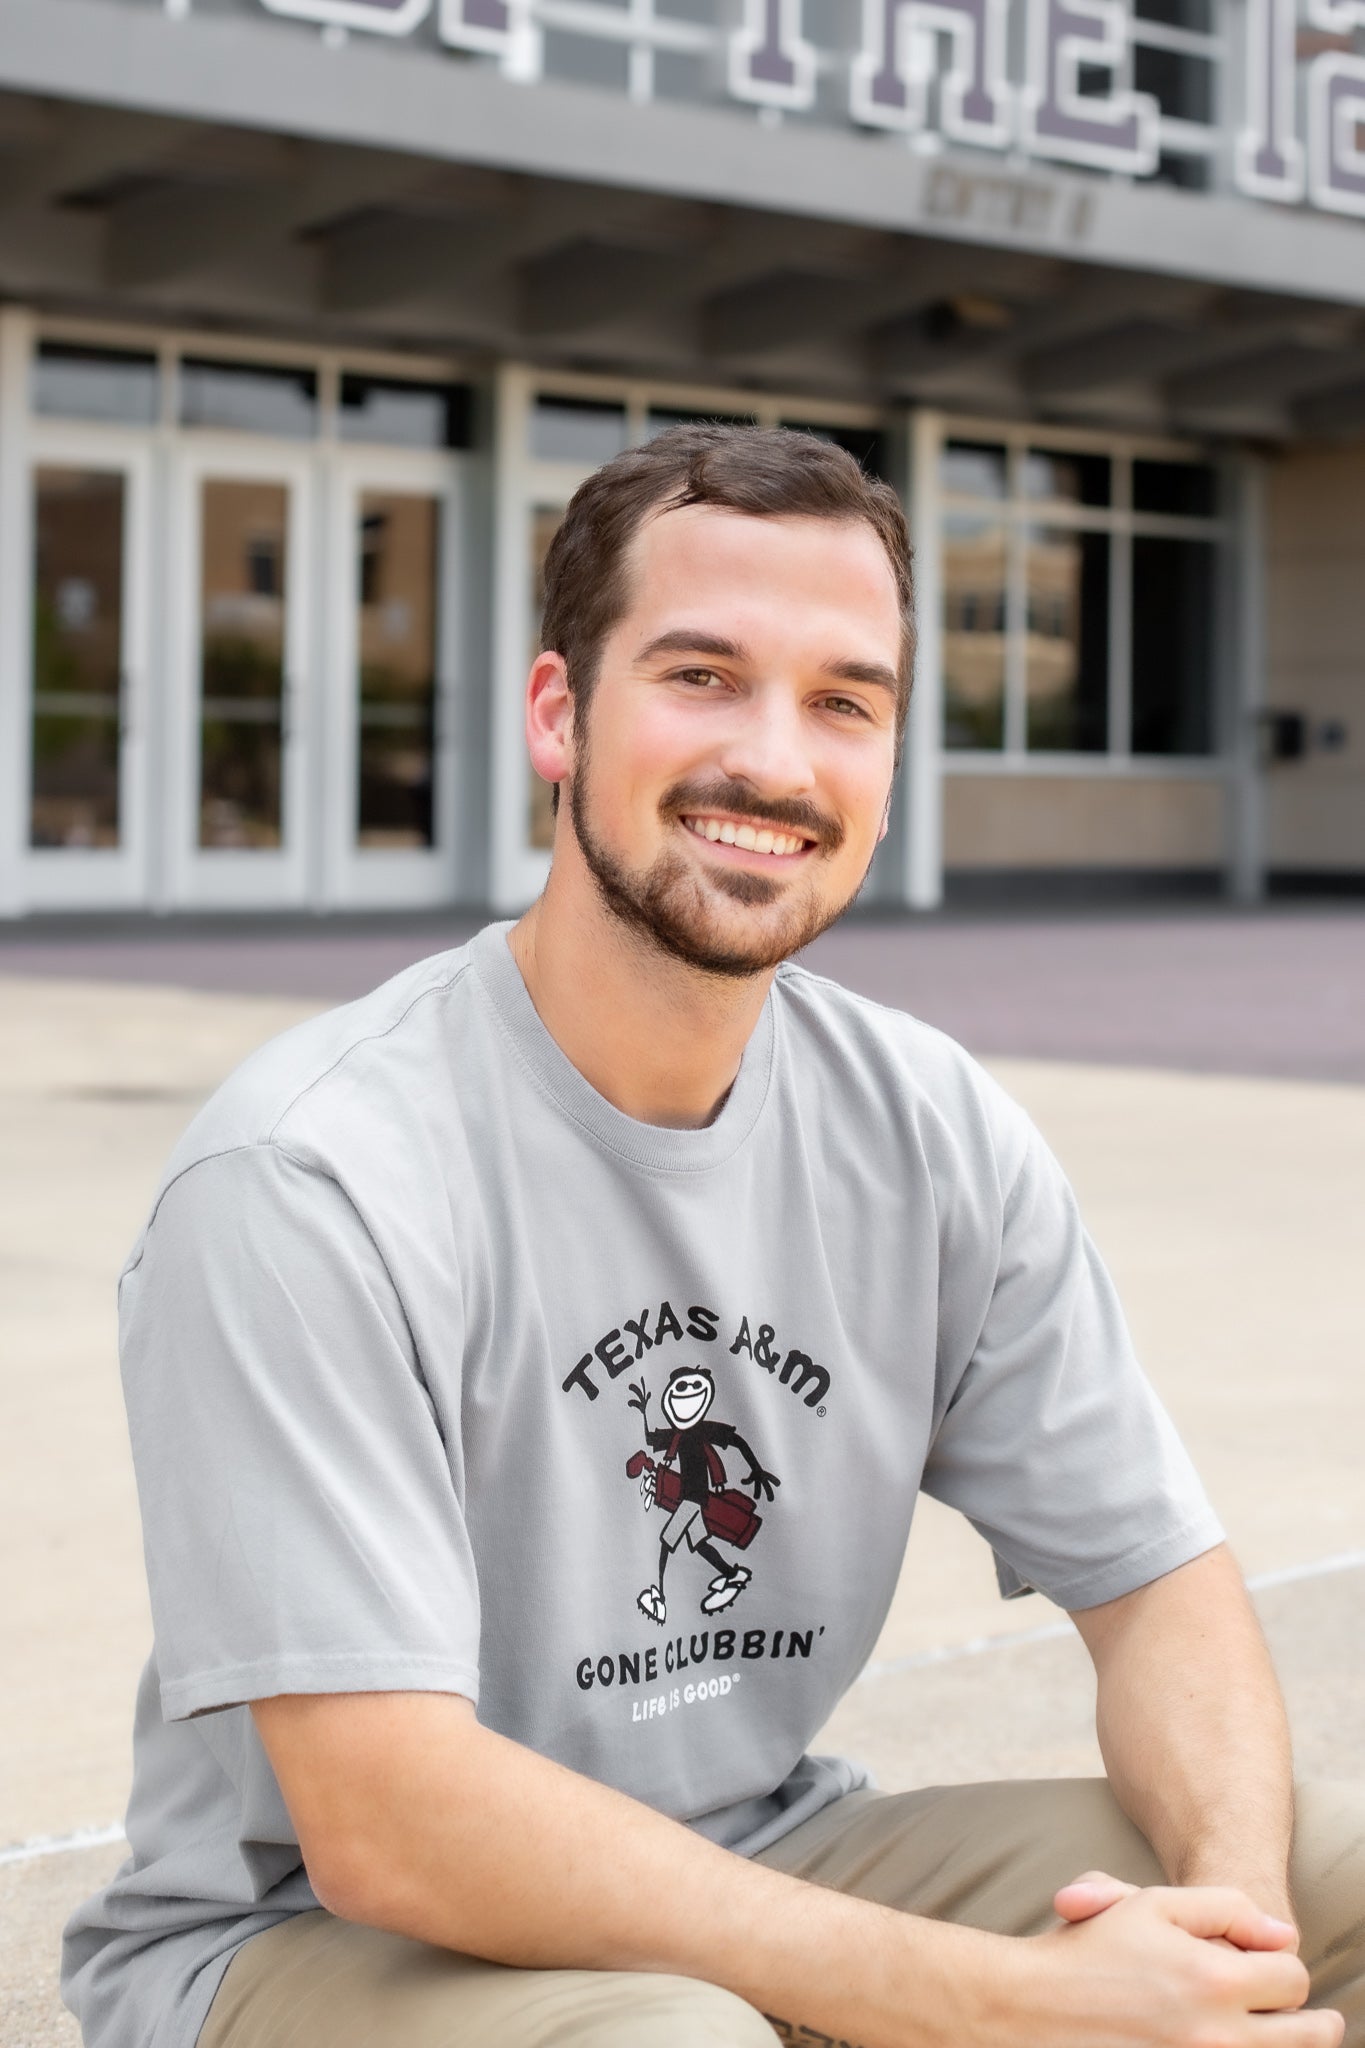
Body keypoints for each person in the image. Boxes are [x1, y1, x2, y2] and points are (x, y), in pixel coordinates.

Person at [63, 425, 1360, 2048]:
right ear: (559, 715)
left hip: (763, 1844)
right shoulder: (310, 1174)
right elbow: (387, 1822)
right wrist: (1017, 2002)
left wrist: (1219, 1947)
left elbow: (1159, 1586)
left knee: (1335, 1883)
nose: (774, 760)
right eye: (699, 675)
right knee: (673, 2041)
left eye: (842, 701)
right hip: (311, 1943)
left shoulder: (926, 1127)